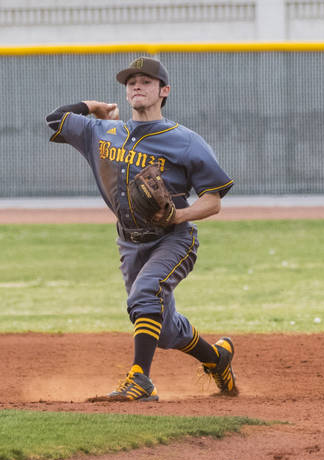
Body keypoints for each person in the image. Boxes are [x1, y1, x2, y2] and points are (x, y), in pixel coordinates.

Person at [45, 56, 237, 401]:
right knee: (163, 330)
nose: (136, 85)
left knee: (145, 295)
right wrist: (94, 107)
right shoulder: (102, 132)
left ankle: (140, 380)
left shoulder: (185, 140)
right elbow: (55, 119)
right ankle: (217, 358)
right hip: (129, 242)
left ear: (164, 91)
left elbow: (214, 200)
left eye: (146, 81)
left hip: (173, 239)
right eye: (131, 81)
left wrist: (179, 216)